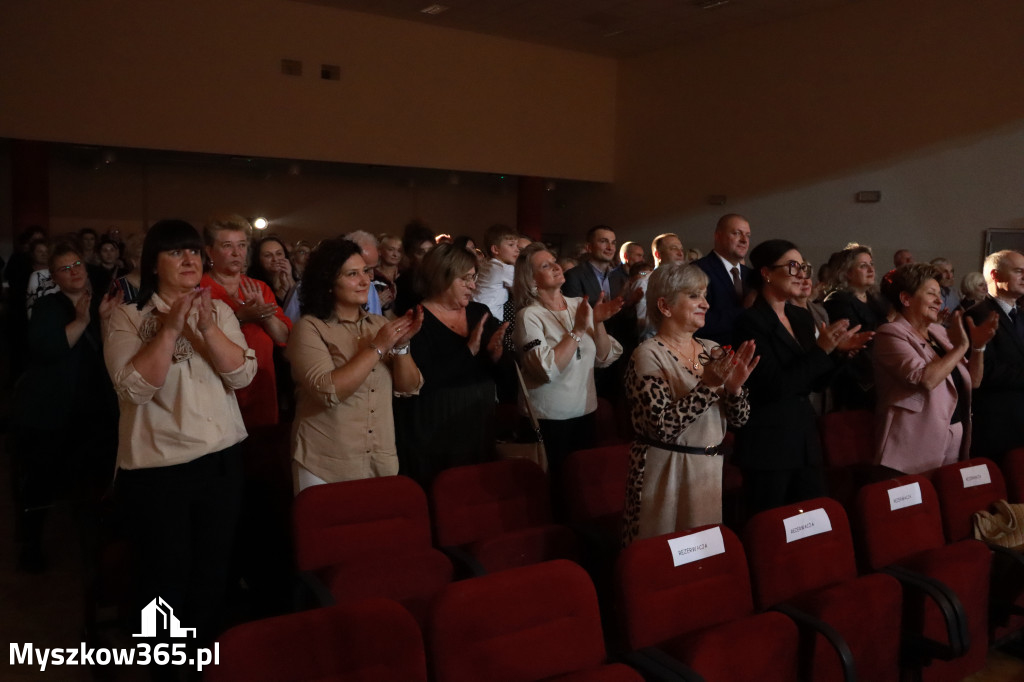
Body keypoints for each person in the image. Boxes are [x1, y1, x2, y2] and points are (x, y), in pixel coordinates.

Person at [104, 219, 256, 651]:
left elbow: (243, 374)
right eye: (175, 252)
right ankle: (165, 665)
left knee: (212, 571)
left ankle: (201, 660)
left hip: (221, 462)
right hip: (158, 471)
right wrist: (171, 327)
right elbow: (134, 388)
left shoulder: (219, 310)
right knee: (163, 578)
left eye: (193, 251)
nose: (189, 259)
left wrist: (206, 327)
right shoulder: (128, 318)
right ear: (153, 264)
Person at [621, 263, 757, 546]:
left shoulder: (711, 349)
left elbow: (741, 420)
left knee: (700, 555)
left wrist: (734, 389)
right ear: (665, 305)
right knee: (663, 555)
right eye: (694, 296)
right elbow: (662, 427)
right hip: (666, 469)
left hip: (706, 470)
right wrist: (708, 386)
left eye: (705, 295)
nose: (705, 304)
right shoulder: (647, 355)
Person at [734, 239, 872, 515]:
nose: (801, 274)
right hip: (768, 445)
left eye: (804, 267)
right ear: (767, 273)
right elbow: (776, 386)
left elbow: (815, 383)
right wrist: (823, 351)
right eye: (792, 267)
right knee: (771, 526)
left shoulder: (800, 317)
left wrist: (836, 355)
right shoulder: (750, 322)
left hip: (804, 438)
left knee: (812, 522)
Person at [10, 242, 119, 571]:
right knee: (41, 480)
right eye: (65, 268)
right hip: (53, 410)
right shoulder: (48, 307)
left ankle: (94, 545)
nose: (74, 272)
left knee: (92, 480)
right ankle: (31, 546)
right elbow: (49, 348)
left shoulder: (99, 301)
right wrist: (83, 320)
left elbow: (109, 349)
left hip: (94, 410)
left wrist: (100, 320)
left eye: (77, 265)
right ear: (54, 277)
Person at [288, 238, 424, 492]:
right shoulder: (310, 328)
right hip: (325, 461)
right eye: (352, 274)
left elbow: (409, 387)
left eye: (366, 272)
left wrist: (402, 346)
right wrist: (379, 347)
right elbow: (328, 391)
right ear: (328, 282)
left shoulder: (377, 323)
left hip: (378, 458)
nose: (365, 281)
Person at [394, 243, 508, 486]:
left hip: (478, 423)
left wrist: (496, 356)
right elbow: (420, 383)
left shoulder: (479, 312)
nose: (473, 286)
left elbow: (498, 372)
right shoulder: (416, 320)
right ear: (441, 277)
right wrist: (468, 352)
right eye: (465, 279)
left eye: (474, 277)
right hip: (436, 429)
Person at [513, 243, 623, 483]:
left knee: (583, 485)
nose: (555, 266)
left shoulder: (577, 305)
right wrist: (578, 330)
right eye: (545, 265)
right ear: (531, 280)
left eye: (554, 261)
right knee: (557, 487)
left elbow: (604, 358)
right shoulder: (529, 316)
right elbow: (545, 369)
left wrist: (600, 322)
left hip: (585, 412)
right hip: (550, 420)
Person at [874, 263, 996, 474]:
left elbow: (973, 380)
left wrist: (978, 347)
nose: (939, 300)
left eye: (939, 294)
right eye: (931, 294)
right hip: (913, 446)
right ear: (906, 299)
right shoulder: (890, 333)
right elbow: (926, 379)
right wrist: (962, 346)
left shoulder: (938, 332)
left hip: (952, 440)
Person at [201, 213, 291, 428]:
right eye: (227, 246)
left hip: (261, 386)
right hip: (219, 386)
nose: (236, 253)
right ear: (209, 251)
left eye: (241, 245)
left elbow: (284, 337)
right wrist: (239, 318)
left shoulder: (258, 287)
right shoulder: (200, 288)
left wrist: (265, 314)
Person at [965, 251, 1024, 463]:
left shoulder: (1021, 315)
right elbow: (986, 370)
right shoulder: (977, 315)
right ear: (996, 276)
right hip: (998, 423)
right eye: (1018, 271)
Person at [823, 243, 887, 410]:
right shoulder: (838, 301)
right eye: (863, 266)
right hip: (856, 380)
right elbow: (858, 337)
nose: (871, 270)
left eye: (871, 264)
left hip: (879, 372)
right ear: (848, 273)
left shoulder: (876, 300)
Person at [695, 214, 753, 346]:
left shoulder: (751, 275)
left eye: (747, 235)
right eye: (737, 233)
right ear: (718, 236)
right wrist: (745, 311)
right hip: (712, 355)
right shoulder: (697, 271)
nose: (744, 240)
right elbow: (697, 321)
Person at [473, 223, 520, 320]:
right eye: (511, 245)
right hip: (489, 316)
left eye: (517, 245)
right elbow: (524, 288)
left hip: (475, 311)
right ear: (495, 249)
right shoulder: (502, 268)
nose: (517, 250)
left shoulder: (488, 264)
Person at [393, 220, 435, 316]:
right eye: (421, 252)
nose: (427, 256)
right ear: (411, 255)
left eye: (430, 251)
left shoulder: (442, 276)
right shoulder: (403, 282)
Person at [250, 236, 297, 306]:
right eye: (268, 255)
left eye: (279, 254)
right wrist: (282, 290)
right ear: (258, 259)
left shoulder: (297, 280)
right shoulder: (253, 285)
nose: (275, 259)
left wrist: (290, 278)